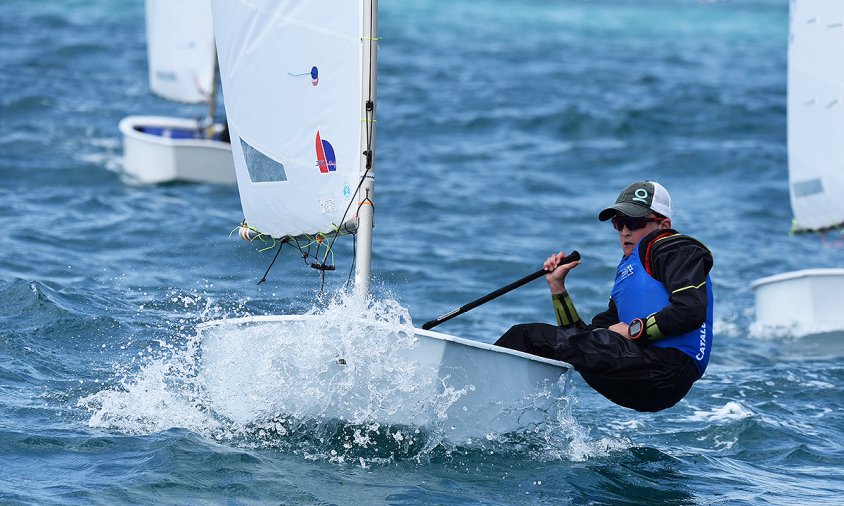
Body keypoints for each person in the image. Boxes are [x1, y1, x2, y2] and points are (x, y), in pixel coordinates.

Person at [495, 181, 713, 412]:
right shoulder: (630, 270)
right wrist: (557, 287)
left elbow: (690, 310)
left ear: (663, 225)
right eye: (619, 224)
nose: (625, 231)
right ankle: (508, 415)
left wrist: (633, 331)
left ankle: (472, 397)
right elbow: (580, 338)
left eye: (635, 222)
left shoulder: (674, 248)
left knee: (526, 336)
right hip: (644, 377)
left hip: (668, 369)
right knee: (551, 345)